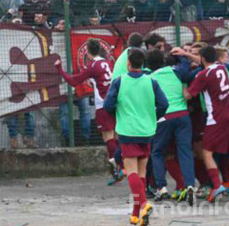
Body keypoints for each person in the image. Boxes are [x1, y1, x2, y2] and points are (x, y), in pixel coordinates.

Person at [104, 48, 169, 226]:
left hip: (128, 131)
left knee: (131, 171)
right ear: (143, 64)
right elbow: (164, 104)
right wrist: (152, 117)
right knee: (141, 173)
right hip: (147, 132)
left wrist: (119, 111)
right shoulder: (151, 81)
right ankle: (135, 214)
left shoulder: (119, 81)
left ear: (128, 64)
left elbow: (108, 105)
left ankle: (143, 205)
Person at [183, 45, 229, 204]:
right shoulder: (223, 69)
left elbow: (188, 96)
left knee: (206, 152)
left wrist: (182, 81)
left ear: (202, 58)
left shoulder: (203, 74)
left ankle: (217, 185)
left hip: (217, 119)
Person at [55, 38, 123, 185]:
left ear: (88, 51)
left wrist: (60, 69)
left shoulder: (93, 66)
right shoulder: (109, 62)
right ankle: (117, 171)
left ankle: (120, 168)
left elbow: (74, 81)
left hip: (103, 105)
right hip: (115, 103)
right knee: (116, 136)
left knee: (108, 138)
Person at [146, 49, 196, 205]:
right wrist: (179, 53)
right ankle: (190, 185)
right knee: (185, 151)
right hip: (182, 115)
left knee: (157, 152)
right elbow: (186, 64)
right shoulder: (176, 71)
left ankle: (161, 187)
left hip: (164, 118)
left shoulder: (149, 78)